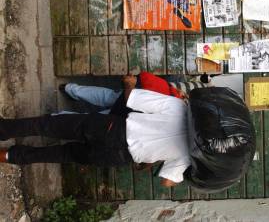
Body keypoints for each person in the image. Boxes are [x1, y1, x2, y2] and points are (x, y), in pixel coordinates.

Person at [0, 75, 190, 188]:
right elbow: (167, 182)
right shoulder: (192, 153)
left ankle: (4, 129)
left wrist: (130, 83)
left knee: (48, 125)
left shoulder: (178, 107)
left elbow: (130, 97)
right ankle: (8, 155)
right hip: (119, 158)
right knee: (63, 154)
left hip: (113, 129)